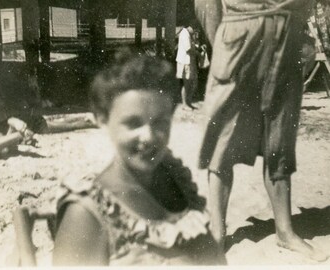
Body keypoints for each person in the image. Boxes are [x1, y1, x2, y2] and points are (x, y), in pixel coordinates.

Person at [52, 52, 218, 266]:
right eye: (133, 123)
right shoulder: (87, 215)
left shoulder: (177, 181)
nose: (148, 137)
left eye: (159, 122)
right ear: (102, 120)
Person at [197, 0, 328, 264]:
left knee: (279, 139)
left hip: (288, 39)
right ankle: (217, 231)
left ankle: (285, 231)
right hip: (238, 34)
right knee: (224, 138)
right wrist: (223, 40)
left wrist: (303, 36)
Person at [176, 24, 199, 110]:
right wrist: (198, 54)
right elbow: (188, 49)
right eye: (194, 29)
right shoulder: (184, 34)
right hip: (185, 61)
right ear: (190, 26)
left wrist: (197, 48)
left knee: (191, 83)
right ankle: (185, 104)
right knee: (187, 83)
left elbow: (192, 46)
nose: (195, 31)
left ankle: (188, 103)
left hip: (189, 61)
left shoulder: (188, 34)